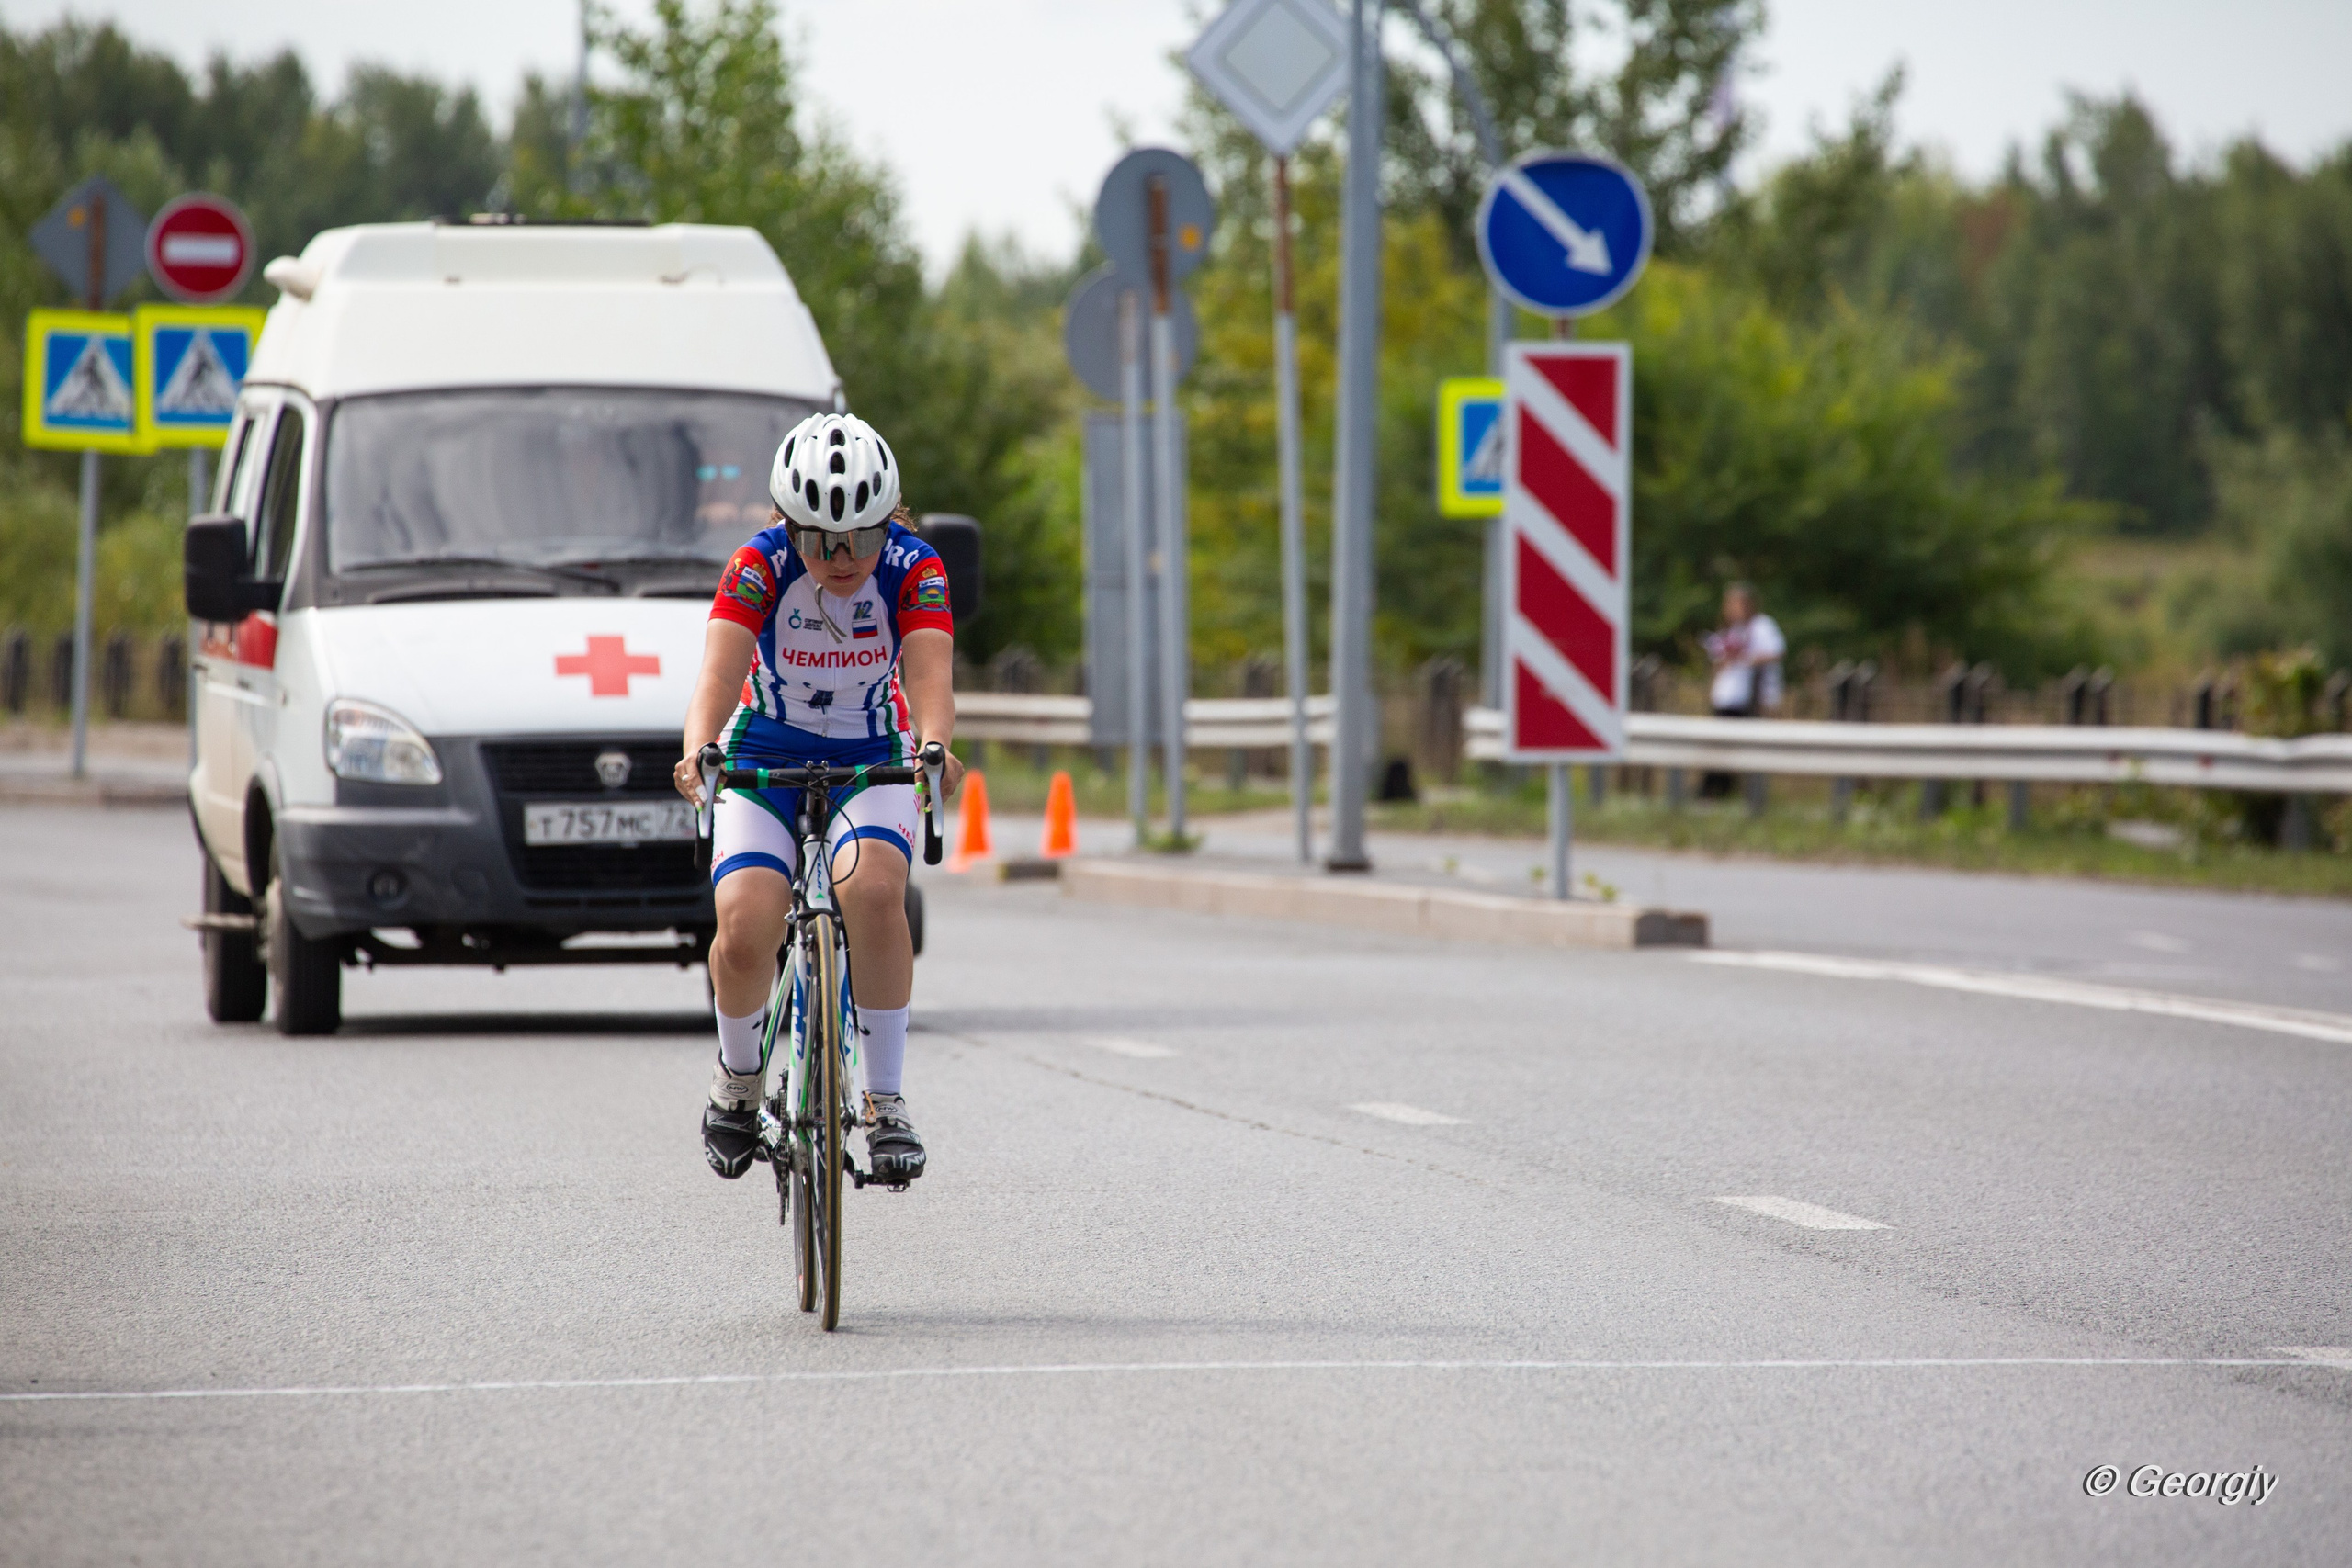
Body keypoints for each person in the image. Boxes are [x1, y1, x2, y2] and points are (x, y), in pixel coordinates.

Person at [672, 412, 963, 1183]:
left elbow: (931, 674)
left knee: (872, 893)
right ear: (787, 526)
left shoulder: (916, 566)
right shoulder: (756, 566)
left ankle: (886, 1101)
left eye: (861, 538)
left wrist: (934, 744)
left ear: (888, 522)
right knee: (745, 921)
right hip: (765, 744)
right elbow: (718, 673)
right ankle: (737, 1083)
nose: (841, 558)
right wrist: (698, 746)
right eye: (819, 540)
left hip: (870, 750)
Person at [1701, 582, 1784, 797]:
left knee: (1737, 749)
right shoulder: (1732, 630)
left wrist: (1744, 658)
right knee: (1719, 747)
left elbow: (1775, 652)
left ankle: (1726, 792)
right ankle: (1717, 791)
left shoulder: (1762, 626)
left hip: (1750, 699)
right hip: (1727, 697)